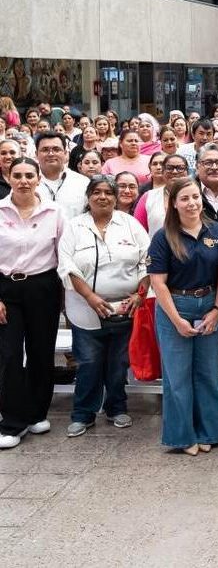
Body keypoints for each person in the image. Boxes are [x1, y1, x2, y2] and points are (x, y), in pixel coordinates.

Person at [59, 176, 149, 437]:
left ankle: (116, 408)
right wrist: (90, 297)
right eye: (96, 192)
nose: (103, 197)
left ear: (115, 197)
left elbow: (147, 261)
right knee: (88, 363)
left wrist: (140, 295)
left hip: (125, 308)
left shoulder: (130, 224)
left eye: (108, 192)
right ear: (88, 197)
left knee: (118, 364)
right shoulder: (75, 227)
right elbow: (66, 266)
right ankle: (83, 414)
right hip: (85, 309)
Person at [147, 177, 218, 455]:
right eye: (184, 198)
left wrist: (217, 309)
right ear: (174, 203)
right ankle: (182, 437)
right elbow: (158, 283)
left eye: (195, 197)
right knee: (177, 377)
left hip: (208, 304)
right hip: (175, 305)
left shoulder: (217, 231)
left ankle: (210, 431)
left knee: (209, 373)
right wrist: (176, 320)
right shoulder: (163, 237)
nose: (192, 203)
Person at [0, 158, 65, 449]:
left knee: (41, 352)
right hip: (6, 288)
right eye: (18, 175)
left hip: (43, 286)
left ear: (38, 179)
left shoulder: (54, 212)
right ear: (8, 178)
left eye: (29, 175)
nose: (23, 181)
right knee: (10, 355)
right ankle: (13, 421)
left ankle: (37, 413)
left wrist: (65, 295)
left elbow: (63, 254)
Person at [34, 131, 88, 217]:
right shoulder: (26, 183)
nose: (51, 154)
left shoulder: (82, 182)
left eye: (56, 149)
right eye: (45, 150)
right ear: (36, 154)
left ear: (65, 153)